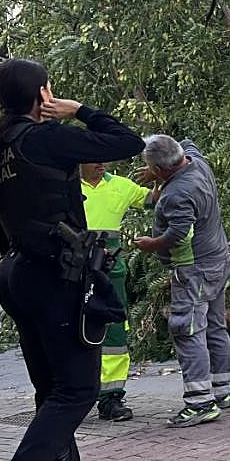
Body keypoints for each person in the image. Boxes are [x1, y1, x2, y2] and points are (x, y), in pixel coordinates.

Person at [0, 59, 145, 461]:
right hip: (53, 277)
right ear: (42, 93)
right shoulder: (42, 139)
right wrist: (80, 110)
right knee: (78, 390)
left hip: (19, 277)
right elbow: (126, 142)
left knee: (53, 392)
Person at [133, 135, 230, 428]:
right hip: (219, 261)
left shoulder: (177, 193)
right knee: (215, 325)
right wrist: (156, 169)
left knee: (187, 329)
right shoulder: (198, 163)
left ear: (163, 171)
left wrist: (152, 244)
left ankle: (200, 402)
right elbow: (188, 141)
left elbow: (178, 232)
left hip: (195, 270)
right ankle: (221, 391)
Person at [80, 161, 157, 422]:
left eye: (104, 158)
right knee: (71, 331)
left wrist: (160, 172)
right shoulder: (65, 187)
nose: (101, 164)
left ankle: (111, 399)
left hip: (111, 272)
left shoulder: (121, 186)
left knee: (114, 335)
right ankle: (70, 397)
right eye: (94, 159)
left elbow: (157, 199)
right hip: (74, 271)